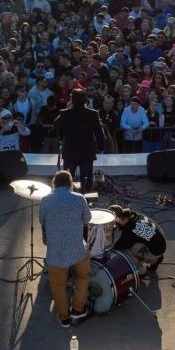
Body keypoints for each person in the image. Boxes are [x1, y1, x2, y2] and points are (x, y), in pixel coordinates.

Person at [38, 170, 91, 328]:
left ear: (54, 184)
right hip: (77, 250)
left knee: (58, 285)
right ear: (70, 184)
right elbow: (87, 219)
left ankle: (64, 317)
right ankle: (78, 309)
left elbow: (42, 220)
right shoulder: (79, 198)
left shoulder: (45, 200)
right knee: (82, 277)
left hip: (56, 253)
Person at [54, 88, 106, 193]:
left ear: (72, 100)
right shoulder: (93, 114)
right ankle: (86, 195)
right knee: (86, 177)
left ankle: (67, 195)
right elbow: (99, 133)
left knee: (68, 177)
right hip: (87, 150)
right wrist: (100, 147)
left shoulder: (65, 113)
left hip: (69, 150)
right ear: (85, 100)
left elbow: (56, 125)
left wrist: (62, 138)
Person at [108, 204, 166, 274]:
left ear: (118, 219)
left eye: (114, 222)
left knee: (127, 251)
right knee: (137, 240)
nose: (114, 224)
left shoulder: (130, 230)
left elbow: (118, 247)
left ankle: (141, 270)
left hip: (157, 249)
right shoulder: (134, 215)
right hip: (160, 239)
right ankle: (154, 258)